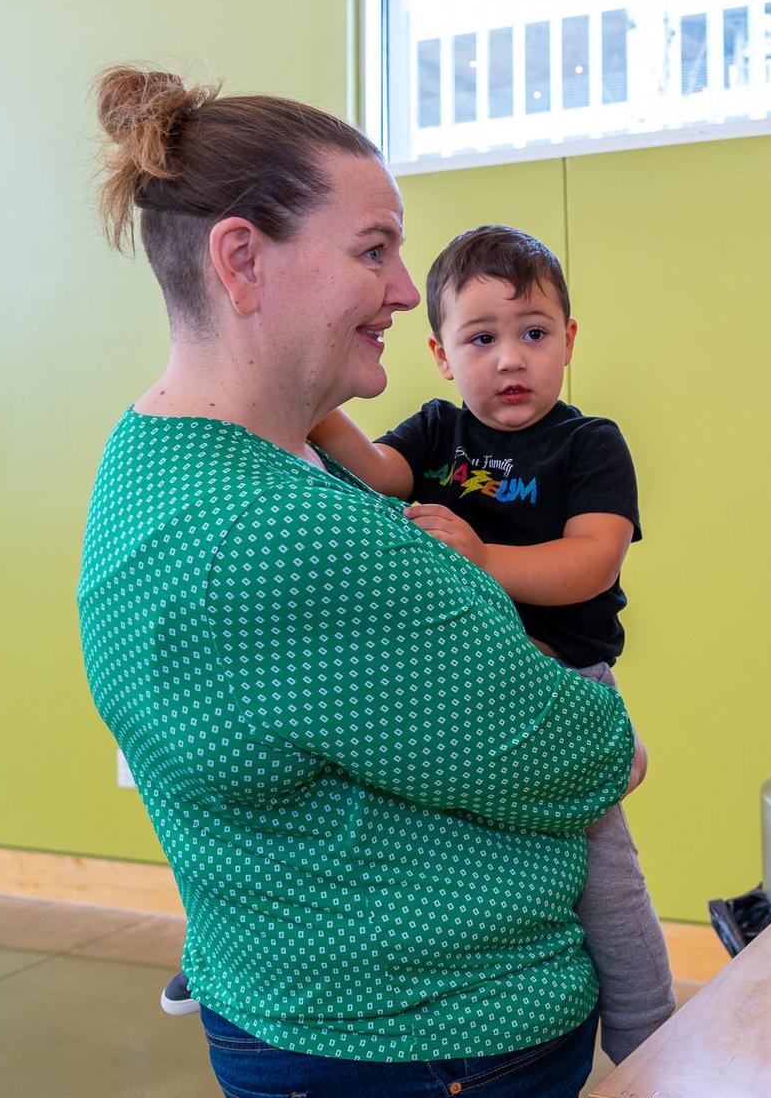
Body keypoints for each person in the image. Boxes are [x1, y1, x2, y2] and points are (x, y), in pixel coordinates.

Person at [77, 67, 640, 1098]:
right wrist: (607, 729)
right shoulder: (282, 531)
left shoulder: (151, 454)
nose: (397, 285)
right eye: (373, 249)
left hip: (304, 1004)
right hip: (427, 1037)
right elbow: (573, 754)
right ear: (242, 261)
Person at [308, 224, 672, 1062]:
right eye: (483, 338)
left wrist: (481, 556)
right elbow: (377, 473)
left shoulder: (589, 443)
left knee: (605, 875)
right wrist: (314, 403)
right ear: (440, 352)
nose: (511, 359)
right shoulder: (439, 430)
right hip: (462, 678)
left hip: (564, 678)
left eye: (534, 334)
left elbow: (590, 562)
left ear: (569, 342)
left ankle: (653, 1038)